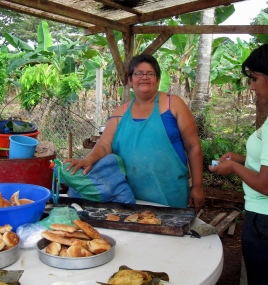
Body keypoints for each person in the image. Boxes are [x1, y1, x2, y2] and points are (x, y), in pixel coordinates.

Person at [64, 54, 204, 212]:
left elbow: (193, 147)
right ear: (130, 81)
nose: (144, 77)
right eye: (138, 73)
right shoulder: (119, 114)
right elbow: (104, 145)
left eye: (150, 73)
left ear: (157, 80)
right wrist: (88, 159)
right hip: (129, 199)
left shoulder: (174, 105)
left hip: (170, 197)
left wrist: (198, 186)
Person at [209, 44, 268, 285]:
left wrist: (233, 168)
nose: (252, 86)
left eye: (254, 78)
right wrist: (242, 159)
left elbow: (265, 184)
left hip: (263, 221)